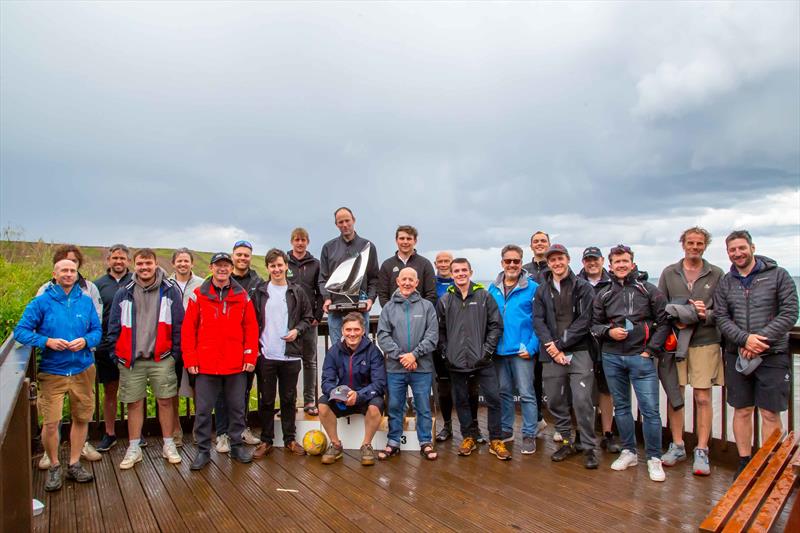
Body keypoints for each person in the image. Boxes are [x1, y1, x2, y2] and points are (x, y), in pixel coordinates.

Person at [714, 230, 799, 478]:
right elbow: (721, 316)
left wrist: (759, 339)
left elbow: (790, 312)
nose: (738, 253)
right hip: (737, 354)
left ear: (752, 247)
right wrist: (744, 339)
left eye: (742, 248)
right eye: (732, 250)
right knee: (742, 410)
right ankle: (745, 462)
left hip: (772, 355)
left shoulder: (778, 275)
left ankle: (772, 464)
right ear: (728, 252)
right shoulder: (726, 282)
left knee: (770, 413)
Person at [15, 259, 103, 492]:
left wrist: (85, 341)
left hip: (83, 369)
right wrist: (47, 342)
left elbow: (97, 331)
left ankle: (74, 463)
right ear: (54, 274)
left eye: (72, 271)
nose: (69, 274)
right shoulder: (41, 302)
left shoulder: (85, 302)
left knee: (82, 418)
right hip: (53, 372)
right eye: (64, 270)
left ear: (76, 275)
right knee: (51, 423)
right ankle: (54, 465)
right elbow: (21, 331)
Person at [591, 244, 669, 482]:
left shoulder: (648, 289)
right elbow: (594, 325)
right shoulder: (604, 293)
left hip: (641, 357)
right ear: (610, 265)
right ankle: (629, 451)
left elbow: (664, 321)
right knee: (622, 407)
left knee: (650, 410)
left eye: (625, 261)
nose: (621, 265)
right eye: (617, 262)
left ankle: (654, 458)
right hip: (612, 357)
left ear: (632, 263)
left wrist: (651, 350)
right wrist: (608, 332)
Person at [103, 248, 185, 470]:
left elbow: (179, 326)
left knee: (166, 401)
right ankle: (133, 447)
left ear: (156, 264)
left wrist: (174, 355)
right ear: (134, 265)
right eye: (140, 264)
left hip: (162, 358)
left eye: (148, 263)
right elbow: (113, 329)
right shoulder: (124, 292)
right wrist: (117, 355)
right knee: (134, 403)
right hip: (132, 360)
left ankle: (169, 444)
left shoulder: (169, 291)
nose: (144, 267)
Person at [182, 252, 259, 470]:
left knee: (236, 407)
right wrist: (191, 358)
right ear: (211, 268)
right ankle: (203, 450)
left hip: (235, 364)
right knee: (204, 410)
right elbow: (189, 330)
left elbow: (251, 328)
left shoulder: (242, 295)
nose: (222, 269)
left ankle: (236, 446)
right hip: (206, 364)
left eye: (226, 265)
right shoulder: (199, 295)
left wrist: (250, 355)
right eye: (218, 265)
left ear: (231, 268)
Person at [658, 228, 724, 476]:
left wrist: (703, 315)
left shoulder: (716, 274)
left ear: (705, 246)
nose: (694, 247)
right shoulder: (669, 273)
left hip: (705, 342)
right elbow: (661, 309)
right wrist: (680, 316)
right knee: (677, 397)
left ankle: (702, 449)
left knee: (703, 398)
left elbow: (724, 312)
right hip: (676, 343)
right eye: (690, 243)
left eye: (699, 243)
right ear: (682, 244)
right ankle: (677, 445)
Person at [533, 244, 598, 469]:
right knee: (555, 400)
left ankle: (589, 447)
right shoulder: (542, 289)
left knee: (582, 400)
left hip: (579, 350)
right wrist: (552, 347)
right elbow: (538, 320)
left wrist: (560, 344)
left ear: (568, 259)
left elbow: (585, 320)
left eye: (560, 258)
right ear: (548, 263)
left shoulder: (583, 286)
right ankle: (568, 441)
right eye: (552, 260)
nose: (557, 263)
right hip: (550, 353)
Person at [437, 258, 509, 460]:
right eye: (456, 271)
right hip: (456, 361)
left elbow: (496, 326)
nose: (460, 274)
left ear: (470, 272)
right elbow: (439, 331)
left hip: (483, 360)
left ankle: (496, 439)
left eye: (463, 270)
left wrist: (487, 351)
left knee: (494, 399)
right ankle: (468, 436)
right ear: (451, 274)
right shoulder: (445, 300)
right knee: (461, 401)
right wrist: (446, 352)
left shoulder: (484, 296)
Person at [252, 249, 314, 458]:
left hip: (291, 355)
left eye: (280, 265)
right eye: (272, 266)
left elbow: (308, 317)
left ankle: (290, 440)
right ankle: (266, 440)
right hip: (267, 354)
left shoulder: (297, 292)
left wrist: (297, 331)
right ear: (267, 268)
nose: (277, 269)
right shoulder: (260, 292)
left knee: (288, 399)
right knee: (267, 400)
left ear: (286, 266)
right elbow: (252, 322)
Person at [377, 267, 439, 460]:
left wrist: (414, 355)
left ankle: (425, 442)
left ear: (417, 283)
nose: (407, 283)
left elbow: (432, 336)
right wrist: (402, 356)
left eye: (411, 279)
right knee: (395, 405)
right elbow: (383, 336)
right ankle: (393, 442)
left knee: (423, 406)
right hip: (396, 368)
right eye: (403, 279)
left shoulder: (427, 306)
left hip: (422, 367)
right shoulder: (388, 308)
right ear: (397, 281)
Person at [487, 245, 539, 455]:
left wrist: (533, 346)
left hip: (522, 351)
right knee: (504, 393)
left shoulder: (533, 287)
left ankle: (529, 434)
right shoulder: (492, 288)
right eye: (508, 261)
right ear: (502, 263)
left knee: (527, 394)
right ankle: (507, 430)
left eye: (516, 261)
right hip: (498, 351)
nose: (512, 265)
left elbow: (540, 320)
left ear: (521, 262)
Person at [318, 313, 386, 466]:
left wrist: (359, 395)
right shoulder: (334, 351)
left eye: (356, 329)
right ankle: (335, 445)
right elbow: (326, 382)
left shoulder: (373, 351)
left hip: (365, 398)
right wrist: (338, 394)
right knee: (322, 405)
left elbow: (380, 383)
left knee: (376, 406)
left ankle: (366, 445)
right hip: (342, 399)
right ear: (342, 331)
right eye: (348, 330)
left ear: (363, 331)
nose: (352, 334)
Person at [432, 251, 483, 443]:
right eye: (441, 261)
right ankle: (447, 426)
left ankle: (474, 426)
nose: (444, 264)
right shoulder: (431, 283)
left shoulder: (470, 289)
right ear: (435, 264)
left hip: (468, 348)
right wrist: (443, 349)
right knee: (444, 388)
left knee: (471, 388)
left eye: (447, 261)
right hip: (443, 345)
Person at [578, 246, 620, 453]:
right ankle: (581, 432)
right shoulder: (576, 282)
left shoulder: (613, 283)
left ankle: (607, 433)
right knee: (581, 390)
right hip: (582, 343)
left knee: (606, 390)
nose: (592, 263)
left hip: (607, 343)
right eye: (588, 260)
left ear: (603, 261)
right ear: (583, 262)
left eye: (595, 259)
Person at [318, 207, 380, 346]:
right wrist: (327, 298)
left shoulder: (368, 246)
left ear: (354, 220)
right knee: (337, 351)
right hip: (335, 311)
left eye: (347, 221)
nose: (344, 225)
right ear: (336, 224)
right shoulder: (328, 247)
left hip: (360, 309)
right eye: (340, 222)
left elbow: (374, 278)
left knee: (361, 351)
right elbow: (323, 278)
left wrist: (370, 299)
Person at [93, 244, 133, 454]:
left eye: (122, 258)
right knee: (110, 391)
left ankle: (137, 432)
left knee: (135, 391)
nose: (118, 261)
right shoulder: (98, 285)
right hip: (106, 347)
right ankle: (110, 433)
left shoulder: (136, 281)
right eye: (115, 258)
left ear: (128, 261)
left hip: (132, 346)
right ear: (109, 260)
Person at [227, 240, 263, 447]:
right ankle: (226, 431)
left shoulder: (258, 283)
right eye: (239, 254)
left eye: (246, 255)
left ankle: (243, 428)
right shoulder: (223, 280)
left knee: (246, 389)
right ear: (233, 256)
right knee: (226, 391)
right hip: (228, 344)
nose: (242, 258)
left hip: (250, 344)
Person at [168, 248, 205, 446]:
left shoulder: (201, 284)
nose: (183, 264)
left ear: (192, 263)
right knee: (172, 388)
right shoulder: (165, 284)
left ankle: (199, 431)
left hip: (196, 344)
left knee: (198, 387)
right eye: (179, 261)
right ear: (174, 263)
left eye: (186, 261)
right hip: (172, 343)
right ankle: (175, 431)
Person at [286, 227, 324, 416]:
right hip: (289, 321)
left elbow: (321, 292)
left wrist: (317, 316)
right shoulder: (284, 263)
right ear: (292, 241)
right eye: (296, 240)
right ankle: (290, 400)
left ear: (307, 242)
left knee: (310, 362)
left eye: (303, 240)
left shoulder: (315, 264)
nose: (300, 243)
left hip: (310, 322)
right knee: (288, 363)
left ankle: (310, 401)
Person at [522, 231, 549, 435]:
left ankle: (562, 426)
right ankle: (538, 418)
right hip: (530, 332)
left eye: (543, 241)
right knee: (533, 378)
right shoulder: (524, 270)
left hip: (552, 331)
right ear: (531, 246)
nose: (540, 244)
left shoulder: (556, 266)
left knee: (557, 379)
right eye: (536, 241)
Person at [37, 244, 103, 319]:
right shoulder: (45, 289)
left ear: (79, 263)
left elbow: (97, 317)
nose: (70, 263)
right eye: (65, 260)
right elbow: (37, 317)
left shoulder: (90, 288)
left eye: (74, 261)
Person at [377, 225, 437, 307]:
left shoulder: (425, 264)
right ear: (396, 240)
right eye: (402, 238)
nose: (405, 242)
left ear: (415, 241)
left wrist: (420, 312)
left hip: (419, 316)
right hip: (394, 316)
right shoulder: (387, 265)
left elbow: (431, 294)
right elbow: (382, 295)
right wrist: (391, 312)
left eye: (409, 239)